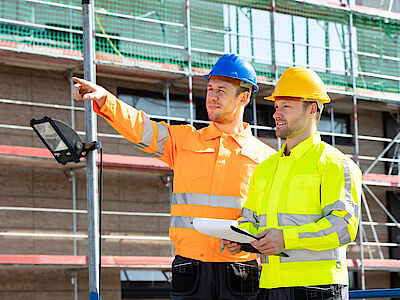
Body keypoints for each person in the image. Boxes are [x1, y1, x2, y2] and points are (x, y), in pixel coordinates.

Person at [72, 54, 276, 299]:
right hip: (190, 268)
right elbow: (140, 128)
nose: (211, 96)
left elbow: (271, 217)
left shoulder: (266, 158)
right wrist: (106, 99)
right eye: (210, 88)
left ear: (243, 97)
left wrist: (247, 241)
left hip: (240, 270)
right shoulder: (184, 141)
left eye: (221, 90)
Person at [221, 67, 362, 300]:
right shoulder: (265, 168)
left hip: (319, 288)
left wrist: (287, 239)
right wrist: (240, 238)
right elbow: (250, 219)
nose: (277, 113)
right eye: (276, 107)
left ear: (312, 109)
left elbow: (344, 226)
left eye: (286, 106)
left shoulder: (336, 164)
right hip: (269, 286)